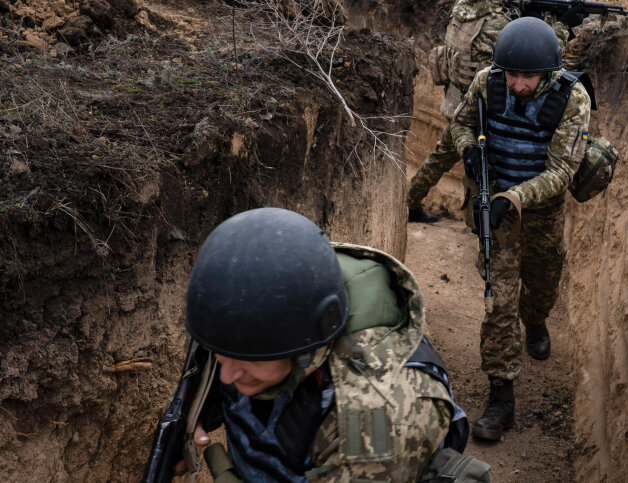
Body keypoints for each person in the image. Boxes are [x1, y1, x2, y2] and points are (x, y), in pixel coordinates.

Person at [177, 207, 468, 481]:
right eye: (221, 356)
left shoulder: (377, 422)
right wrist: (193, 418)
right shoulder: (253, 311)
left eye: (249, 360)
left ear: (305, 344)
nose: (226, 375)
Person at [448, 17, 592, 441]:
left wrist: (513, 200)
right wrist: (468, 151)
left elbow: (564, 170)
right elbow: (458, 123)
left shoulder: (573, 98)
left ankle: (537, 320)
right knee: (499, 300)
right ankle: (501, 397)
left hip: (542, 212)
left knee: (543, 286)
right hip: (497, 212)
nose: (518, 84)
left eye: (528, 76)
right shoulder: (486, 82)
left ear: (547, 73)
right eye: (512, 74)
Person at [407, 0, 574, 223]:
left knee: (439, 159)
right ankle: (488, 215)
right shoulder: (499, 23)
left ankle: (410, 201)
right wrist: (561, 27)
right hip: (485, 105)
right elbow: (531, 59)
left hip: (457, 98)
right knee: (484, 167)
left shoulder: (465, 9)